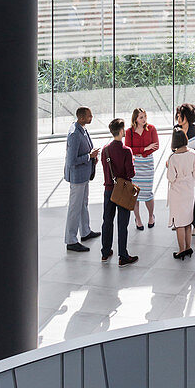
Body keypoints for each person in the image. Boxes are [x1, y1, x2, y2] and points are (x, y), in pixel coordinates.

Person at [101, 118, 139, 267]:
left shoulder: (105, 150)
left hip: (109, 190)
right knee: (122, 224)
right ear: (122, 131)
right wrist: (133, 161)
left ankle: (105, 252)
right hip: (122, 191)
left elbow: (106, 171)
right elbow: (131, 173)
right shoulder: (126, 151)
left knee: (107, 221)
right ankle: (123, 256)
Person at [63, 106, 100, 253]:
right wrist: (88, 157)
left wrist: (92, 158)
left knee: (83, 204)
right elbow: (72, 160)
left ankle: (85, 231)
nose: (92, 118)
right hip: (77, 177)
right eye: (89, 116)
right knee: (74, 208)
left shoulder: (82, 129)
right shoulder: (74, 134)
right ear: (82, 117)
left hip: (84, 174)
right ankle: (71, 240)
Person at [167, 129, 195, 260]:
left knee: (179, 222)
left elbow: (171, 178)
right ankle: (188, 248)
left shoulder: (173, 158)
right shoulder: (192, 153)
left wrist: (167, 166)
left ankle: (181, 250)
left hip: (177, 192)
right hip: (189, 189)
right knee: (188, 221)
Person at [125, 108, 159, 230]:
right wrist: (144, 149)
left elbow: (156, 146)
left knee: (148, 192)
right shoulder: (129, 132)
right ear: (135, 119)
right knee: (136, 193)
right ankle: (138, 219)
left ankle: (151, 216)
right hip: (135, 164)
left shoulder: (152, 129)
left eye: (144, 116)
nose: (144, 119)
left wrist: (141, 151)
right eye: (141, 117)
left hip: (148, 163)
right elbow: (128, 149)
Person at [174, 102, 195, 232]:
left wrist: (189, 149)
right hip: (179, 165)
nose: (179, 118)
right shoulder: (176, 129)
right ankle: (181, 222)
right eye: (178, 115)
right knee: (180, 194)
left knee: (194, 193)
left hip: (192, 165)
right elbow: (173, 147)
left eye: (181, 116)